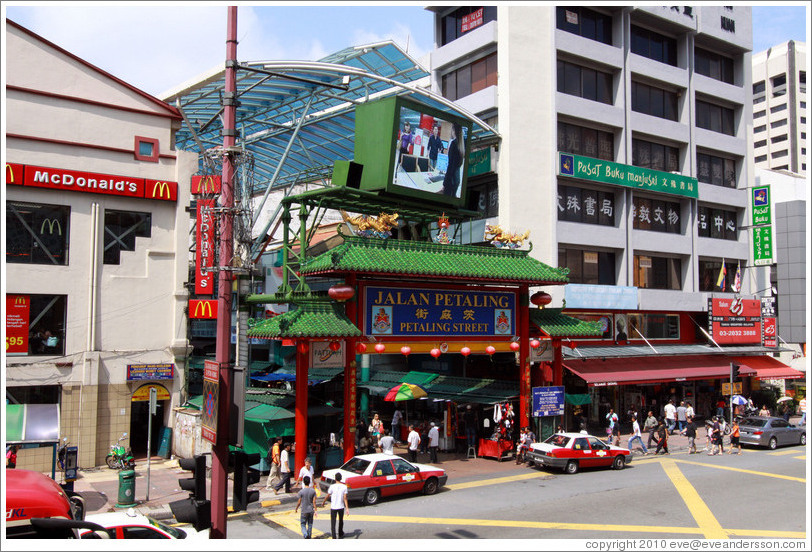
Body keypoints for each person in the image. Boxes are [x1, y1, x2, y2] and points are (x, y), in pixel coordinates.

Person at [322, 471, 349, 539]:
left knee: (333, 522)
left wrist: (323, 502)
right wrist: (347, 508)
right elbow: (345, 498)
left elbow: (328, 495)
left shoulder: (332, 486)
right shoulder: (344, 487)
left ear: (335, 478)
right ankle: (340, 533)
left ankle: (334, 536)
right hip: (341, 506)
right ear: (341, 478)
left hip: (333, 507)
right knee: (341, 521)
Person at [442, 122, 463, 197]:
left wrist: (444, 183)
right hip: (456, 180)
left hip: (450, 181)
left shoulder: (454, 144)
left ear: (454, 130)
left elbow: (450, 166)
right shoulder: (461, 145)